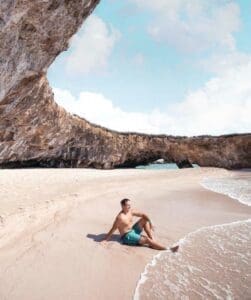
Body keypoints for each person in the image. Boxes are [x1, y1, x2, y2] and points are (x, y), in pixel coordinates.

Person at [100, 198, 179, 252]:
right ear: (123, 206)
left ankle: (152, 241)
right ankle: (168, 249)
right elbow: (113, 229)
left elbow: (143, 214)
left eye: (130, 205)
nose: (130, 206)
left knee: (144, 220)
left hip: (133, 230)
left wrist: (151, 223)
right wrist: (105, 239)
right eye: (128, 205)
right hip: (127, 236)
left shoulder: (130, 211)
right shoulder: (120, 218)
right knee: (146, 240)